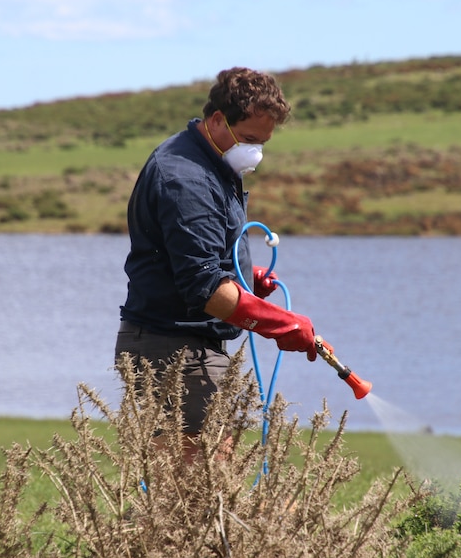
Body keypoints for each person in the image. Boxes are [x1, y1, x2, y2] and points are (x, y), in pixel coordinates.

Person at [115, 67, 324, 464]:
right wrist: (279, 323)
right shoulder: (186, 178)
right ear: (216, 120)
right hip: (173, 349)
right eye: (248, 139)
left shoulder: (211, 163)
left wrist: (245, 279)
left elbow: (205, 258)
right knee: (191, 489)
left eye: (263, 143)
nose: (255, 152)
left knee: (199, 484)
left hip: (185, 345)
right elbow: (204, 287)